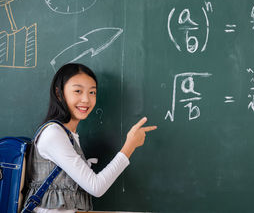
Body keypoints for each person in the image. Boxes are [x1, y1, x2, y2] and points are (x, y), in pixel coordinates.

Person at [23, 63, 157, 213]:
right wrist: (130, 146)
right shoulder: (54, 134)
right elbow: (96, 187)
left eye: (92, 92)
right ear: (59, 93)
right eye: (78, 91)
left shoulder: (69, 134)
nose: (86, 99)